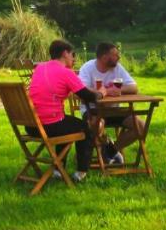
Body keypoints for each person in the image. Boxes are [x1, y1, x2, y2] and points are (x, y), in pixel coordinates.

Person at [28, 38, 103, 183]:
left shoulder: (39, 68)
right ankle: (81, 172)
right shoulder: (66, 72)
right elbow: (87, 96)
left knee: (66, 123)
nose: (73, 58)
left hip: (32, 126)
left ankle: (58, 169)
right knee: (85, 127)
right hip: (49, 126)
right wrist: (102, 93)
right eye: (72, 54)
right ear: (64, 53)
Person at [78, 41, 145, 166]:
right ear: (104, 57)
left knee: (141, 126)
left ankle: (110, 150)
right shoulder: (87, 68)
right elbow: (82, 90)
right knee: (96, 126)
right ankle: (105, 145)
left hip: (115, 111)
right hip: (93, 110)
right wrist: (104, 92)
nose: (118, 57)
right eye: (115, 55)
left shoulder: (118, 67)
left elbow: (134, 88)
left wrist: (117, 90)